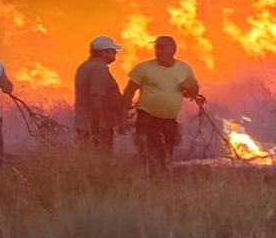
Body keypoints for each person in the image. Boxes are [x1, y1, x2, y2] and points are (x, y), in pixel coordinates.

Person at [123, 36, 200, 174]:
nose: (158, 51)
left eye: (162, 47)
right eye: (156, 47)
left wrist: (189, 88)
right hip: (148, 117)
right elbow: (129, 91)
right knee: (153, 150)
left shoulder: (184, 68)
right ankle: (152, 178)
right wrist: (123, 114)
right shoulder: (143, 68)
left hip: (170, 119)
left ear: (173, 49)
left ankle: (160, 179)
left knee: (167, 151)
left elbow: (193, 91)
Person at [74, 36, 126, 151]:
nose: (115, 53)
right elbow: (96, 96)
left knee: (88, 156)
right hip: (96, 125)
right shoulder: (99, 68)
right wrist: (101, 122)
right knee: (102, 155)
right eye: (112, 50)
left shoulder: (84, 66)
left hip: (84, 123)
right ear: (103, 52)